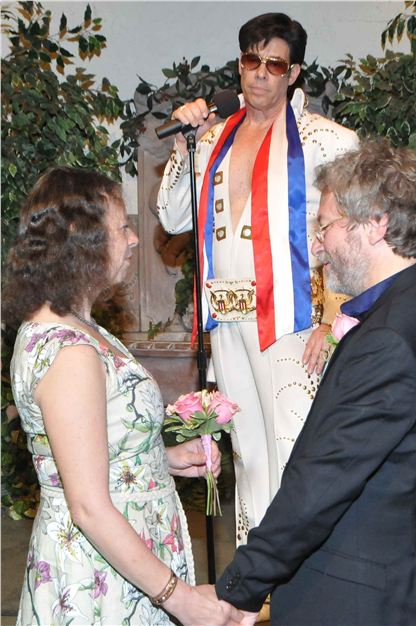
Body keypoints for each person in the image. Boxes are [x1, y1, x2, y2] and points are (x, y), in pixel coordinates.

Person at [212, 140, 416, 625]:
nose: (317, 244)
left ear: (375, 225)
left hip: (372, 600)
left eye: (326, 225)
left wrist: (242, 586)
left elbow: (322, 483)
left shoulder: (389, 338)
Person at [2, 167, 243, 626]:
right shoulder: (69, 349)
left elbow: (88, 447)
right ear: (82, 240)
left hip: (116, 567)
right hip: (100, 582)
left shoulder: (77, 327)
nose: (134, 240)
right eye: (123, 227)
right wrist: (180, 599)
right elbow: (89, 507)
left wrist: (160, 457)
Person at [156, 12, 358, 544]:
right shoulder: (214, 138)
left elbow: (360, 234)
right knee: (247, 452)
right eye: (251, 60)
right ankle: (260, 579)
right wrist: (185, 146)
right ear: (240, 64)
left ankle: (305, 577)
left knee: (292, 448)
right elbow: (173, 219)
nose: (260, 73)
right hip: (227, 316)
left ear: (293, 74)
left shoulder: (327, 140)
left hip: (293, 319)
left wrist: (337, 318)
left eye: (274, 63)